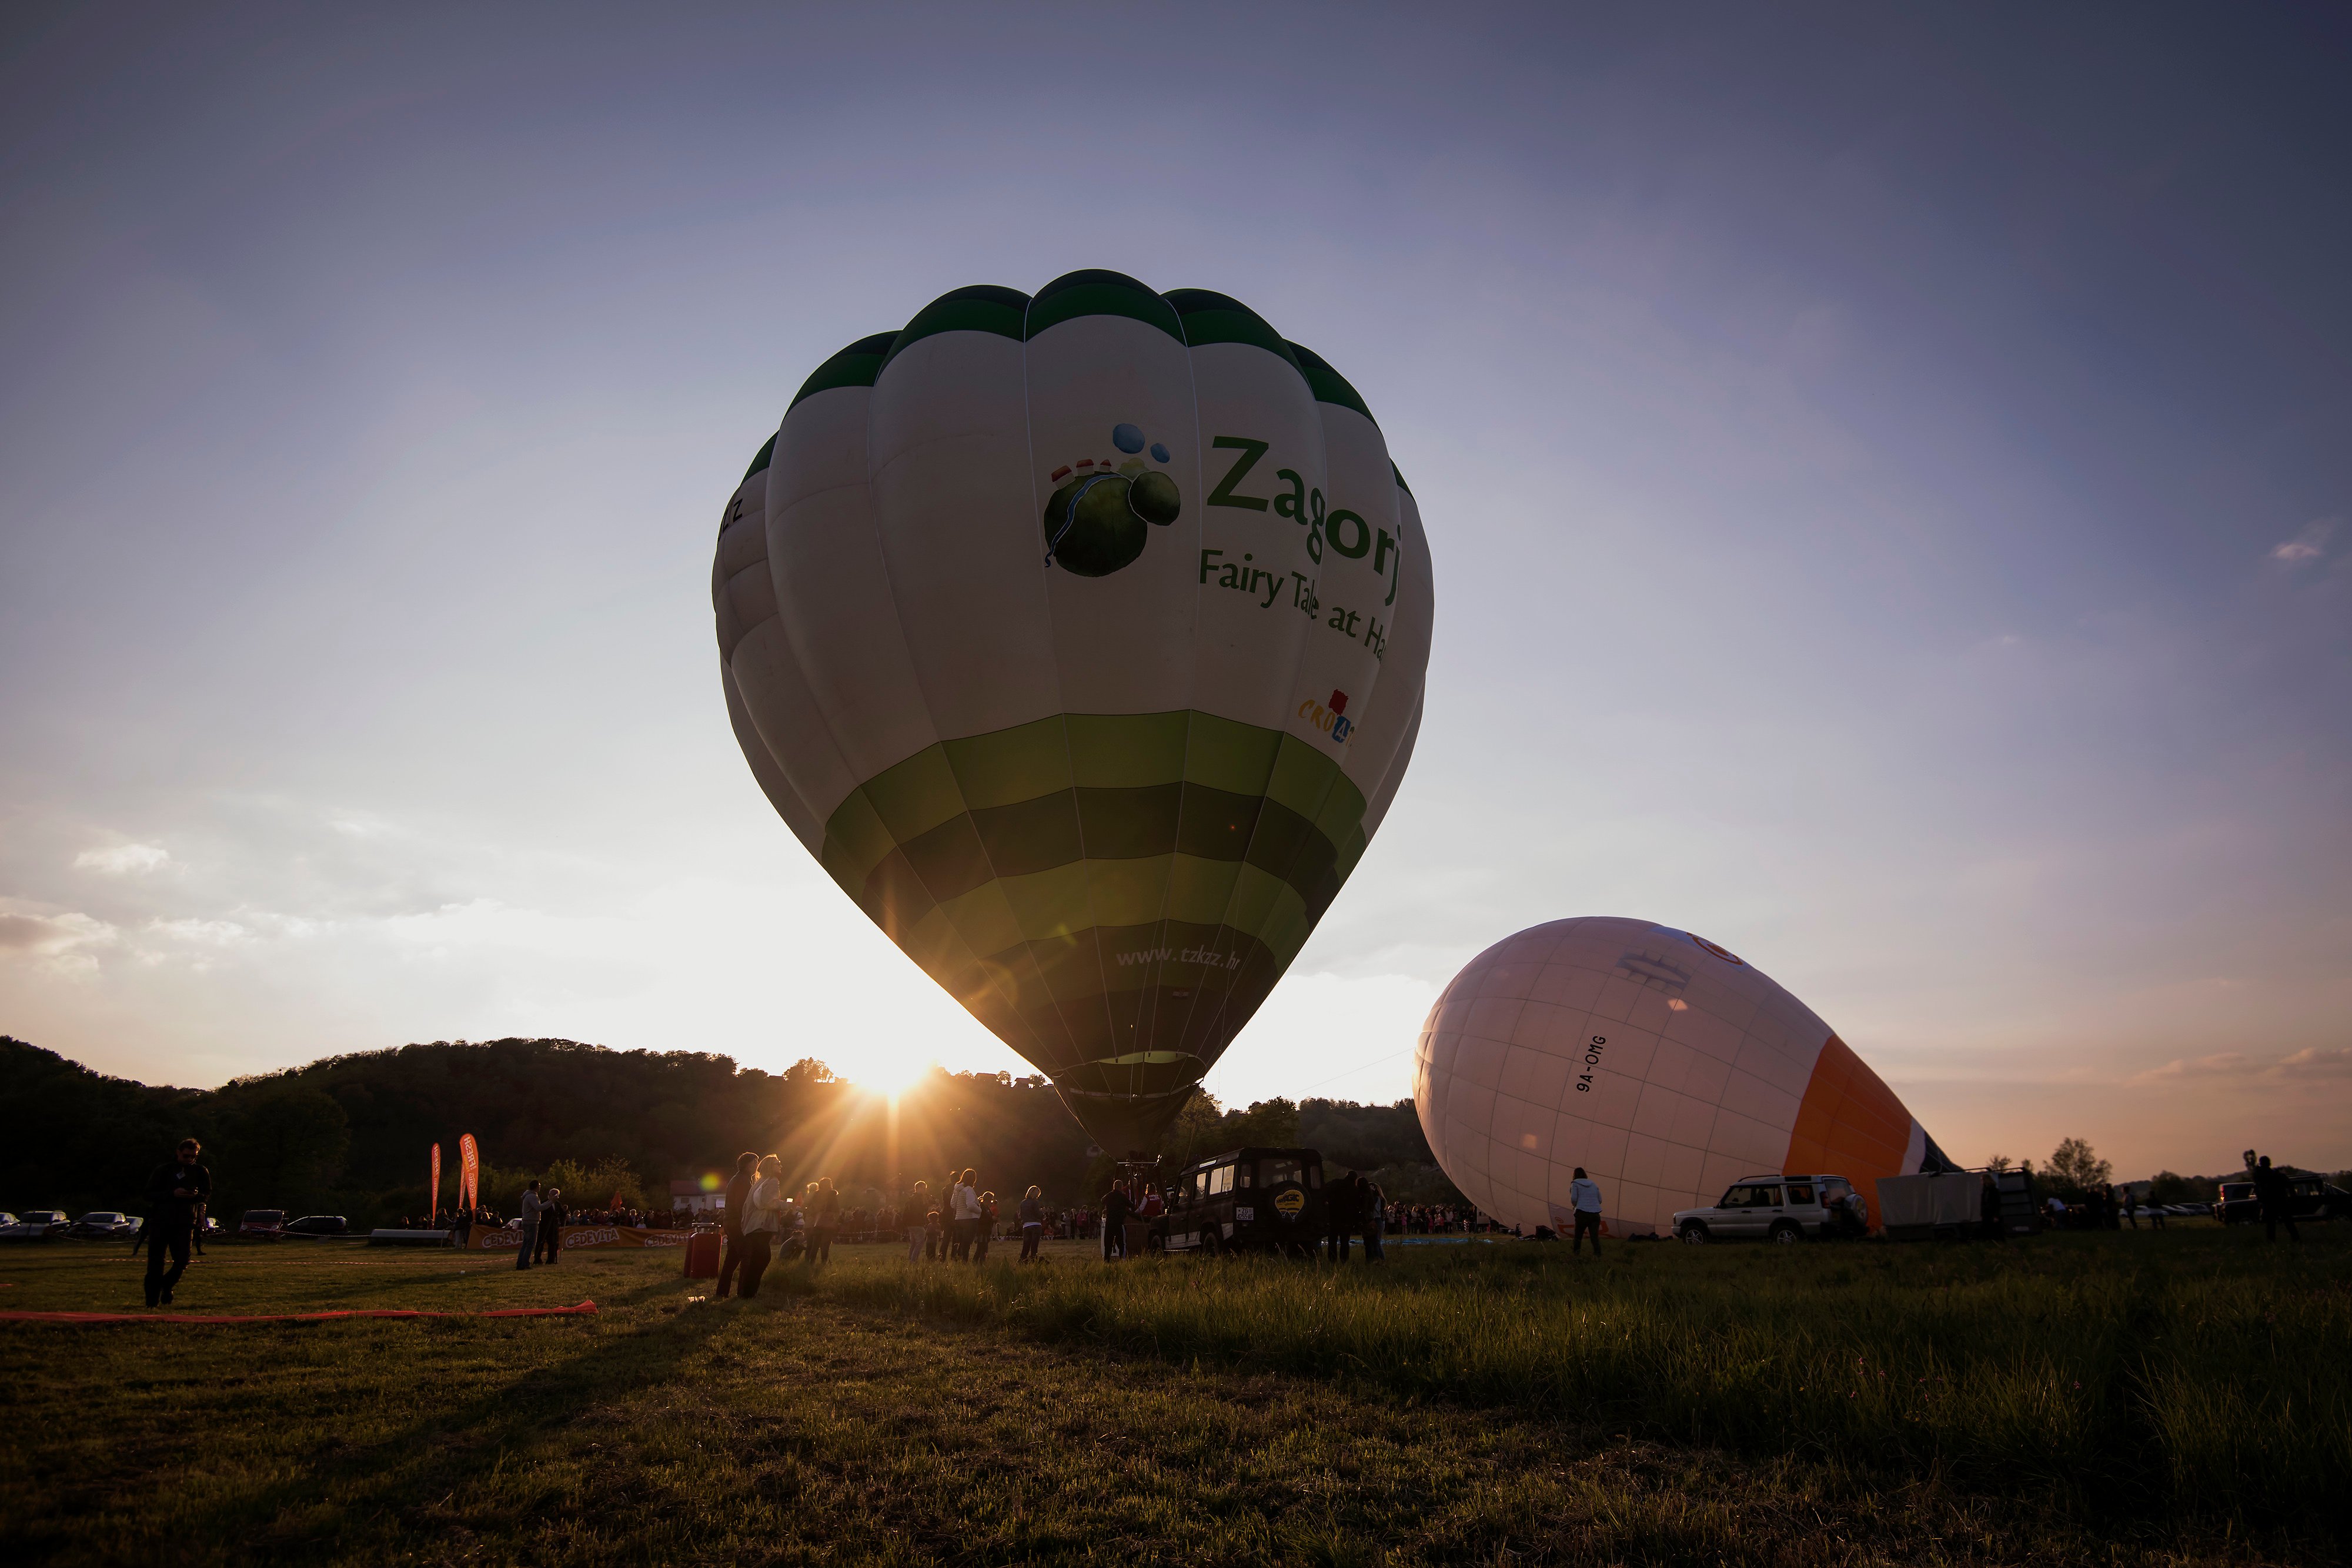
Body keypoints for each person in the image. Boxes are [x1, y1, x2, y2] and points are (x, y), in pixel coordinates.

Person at [140, 1138, 212, 1307]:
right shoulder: (164, 1170)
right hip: (161, 1221)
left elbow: (207, 1194)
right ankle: (151, 1301)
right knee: (156, 1263)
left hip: (185, 1222)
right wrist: (172, 1193)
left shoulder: (200, 1171)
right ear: (178, 1152)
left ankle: (166, 1285)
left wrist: (195, 1196)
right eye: (186, 1156)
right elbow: (148, 1194)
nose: (190, 1160)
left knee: (182, 1261)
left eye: (193, 1157)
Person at [736, 1156, 783, 1298]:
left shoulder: (759, 1182)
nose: (781, 1166)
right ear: (770, 1166)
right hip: (762, 1225)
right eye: (778, 1163)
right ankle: (749, 1293)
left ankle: (747, 1293)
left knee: (757, 1259)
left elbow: (747, 1207)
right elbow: (770, 1203)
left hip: (753, 1226)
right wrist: (790, 1206)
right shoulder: (773, 1181)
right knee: (762, 1258)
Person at [715, 1152, 759, 1298]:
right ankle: (743, 1293)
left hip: (731, 1222)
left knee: (732, 1258)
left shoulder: (740, 1179)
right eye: (755, 1162)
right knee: (747, 1255)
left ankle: (722, 1292)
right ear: (748, 1164)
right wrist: (749, 1222)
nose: (757, 1165)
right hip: (737, 1222)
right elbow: (742, 1205)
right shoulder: (743, 1181)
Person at [2252, 1155, 2300, 1243]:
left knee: (2272, 1224)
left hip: (2272, 1202)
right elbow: (2290, 1187)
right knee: (2286, 1222)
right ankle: (2295, 1239)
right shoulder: (2275, 1175)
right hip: (2279, 1201)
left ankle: (2273, 1241)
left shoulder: (2264, 1175)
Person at [1325, 1173, 1360, 1263]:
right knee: (1345, 1242)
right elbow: (1357, 1205)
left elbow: (1326, 1192)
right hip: (1347, 1219)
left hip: (1334, 1217)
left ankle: (1332, 1259)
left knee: (1332, 1241)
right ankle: (1344, 1260)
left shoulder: (1336, 1183)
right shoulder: (1355, 1190)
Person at [808, 1177, 840, 1266]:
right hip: (828, 1221)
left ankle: (812, 1261)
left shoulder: (816, 1195)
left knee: (816, 1243)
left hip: (818, 1221)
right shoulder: (832, 1194)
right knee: (826, 1244)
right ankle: (824, 1262)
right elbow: (836, 1209)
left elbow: (813, 1208)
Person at [950, 1169, 980, 1262]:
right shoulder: (969, 1190)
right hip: (969, 1219)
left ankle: (957, 1260)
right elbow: (970, 1205)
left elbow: (952, 1204)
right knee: (967, 1243)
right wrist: (980, 1210)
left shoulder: (957, 1190)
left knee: (960, 1242)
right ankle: (964, 1262)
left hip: (958, 1219)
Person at [514, 1180, 544, 1271]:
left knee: (525, 1244)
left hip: (527, 1222)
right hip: (531, 1222)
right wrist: (551, 1202)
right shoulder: (532, 1196)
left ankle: (520, 1263)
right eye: (539, 1185)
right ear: (536, 1186)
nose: (540, 1186)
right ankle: (525, 1264)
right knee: (530, 1244)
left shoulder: (528, 1196)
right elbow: (539, 1208)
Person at [1101, 1178, 1132, 1261]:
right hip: (1119, 1222)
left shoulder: (1109, 1195)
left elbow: (1102, 1200)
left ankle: (1107, 1260)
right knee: (1121, 1243)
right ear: (1121, 1187)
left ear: (1114, 1187)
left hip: (1110, 1221)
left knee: (1108, 1242)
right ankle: (1123, 1259)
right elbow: (1131, 1205)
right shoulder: (1123, 1196)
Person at [536, 1186, 566, 1265]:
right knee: (540, 1243)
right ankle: (537, 1259)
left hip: (553, 1227)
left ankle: (551, 1260)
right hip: (544, 1226)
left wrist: (566, 1216)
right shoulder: (544, 1203)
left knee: (553, 1243)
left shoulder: (557, 1204)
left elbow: (562, 1213)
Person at [1362, 1178, 1388, 1262]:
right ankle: (1380, 1259)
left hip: (1377, 1220)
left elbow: (1373, 1209)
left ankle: (1382, 1260)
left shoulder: (1377, 1199)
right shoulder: (1381, 1199)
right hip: (1379, 1221)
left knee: (1377, 1242)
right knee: (1376, 1242)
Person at [906, 1181, 931, 1262]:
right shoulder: (918, 1198)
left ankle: (910, 1259)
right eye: (924, 1188)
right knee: (920, 1243)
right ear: (919, 1188)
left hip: (910, 1223)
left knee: (913, 1243)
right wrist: (928, 1204)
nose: (925, 1190)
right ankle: (913, 1261)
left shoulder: (912, 1197)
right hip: (917, 1223)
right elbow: (919, 1210)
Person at [1018, 1185, 1045, 1262]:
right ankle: (1034, 1259)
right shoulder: (1035, 1202)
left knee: (1026, 1245)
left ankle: (1022, 1259)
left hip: (1026, 1226)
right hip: (1036, 1225)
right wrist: (1042, 1213)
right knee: (1034, 1245)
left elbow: (1021, 1215)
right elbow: (1038, 1214)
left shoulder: (1022, 1203)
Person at [973, 1191, 997, 1263]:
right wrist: (991, 1219)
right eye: (991, 1200)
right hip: (982, 1231)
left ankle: (976, 1262)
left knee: (981, 1248)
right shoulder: (981, 1207)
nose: (991, 1203)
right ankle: (980, 1263)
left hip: (986, 1231)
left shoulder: (986, 1208)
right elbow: (979, 1219)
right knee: (983, 1248)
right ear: (987, 1200)